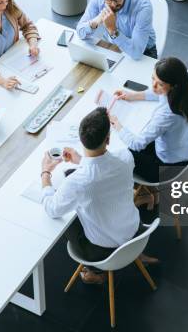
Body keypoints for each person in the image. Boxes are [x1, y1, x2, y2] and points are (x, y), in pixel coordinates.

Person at [40, 107, 143, 284]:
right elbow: (103, 173)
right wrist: (81, 160)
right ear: (108, 139)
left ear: (81, 139)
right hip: (134, 233)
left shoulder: (77, 182)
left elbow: (52, 209)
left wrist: (45, 173)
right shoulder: (126, 157)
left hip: (102, 251)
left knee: (65, 220)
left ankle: (96, 271)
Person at [109, 57, 188, 206]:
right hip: (183, 149)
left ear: (173, 86)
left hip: (166, 167)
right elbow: (158, 94)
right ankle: (143, 191)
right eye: (153, 79)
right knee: (128, 148)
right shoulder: (184, 93)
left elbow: (137, 144)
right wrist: (132, 96)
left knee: (119, 157)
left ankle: (143, 194)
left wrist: (117, 123)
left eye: (160, 84)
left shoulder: (168, 115)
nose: (154, 86)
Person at [76, 0, 157, 60]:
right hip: (112, 44)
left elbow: (136, 52)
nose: (113, 5)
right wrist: (95, 22)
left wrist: (113, 30)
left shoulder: (142, 7)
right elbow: (80, 31)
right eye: (108, 0)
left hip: (144, 51)